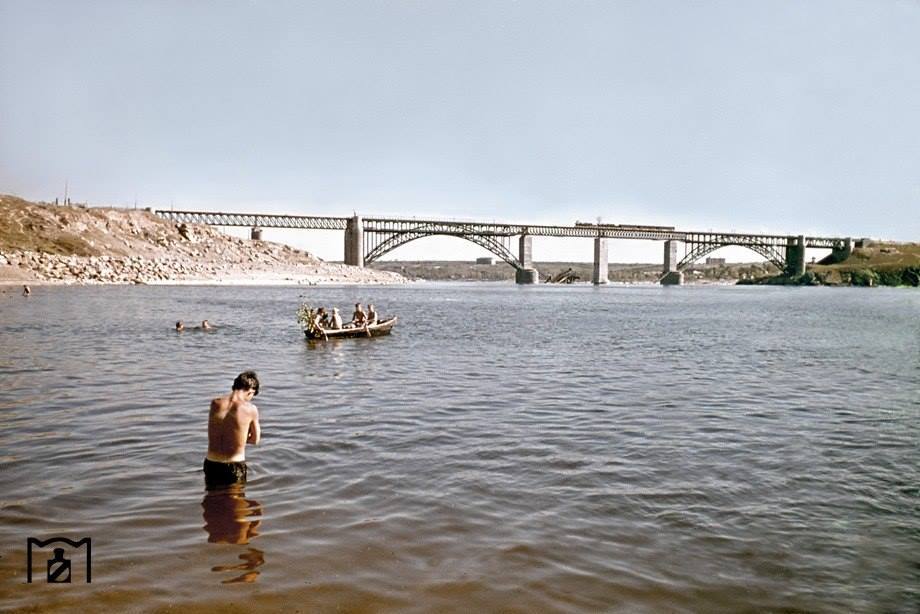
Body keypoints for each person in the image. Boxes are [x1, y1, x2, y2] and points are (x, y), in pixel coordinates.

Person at [204, 371, 261, 488]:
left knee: (212, 503)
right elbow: (255, 440)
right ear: (251, 391)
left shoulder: (215, 404)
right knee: (237, 504)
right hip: (234, 465)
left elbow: (219, 432)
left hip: (211, 463)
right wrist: (239, 439)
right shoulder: (250, 409)